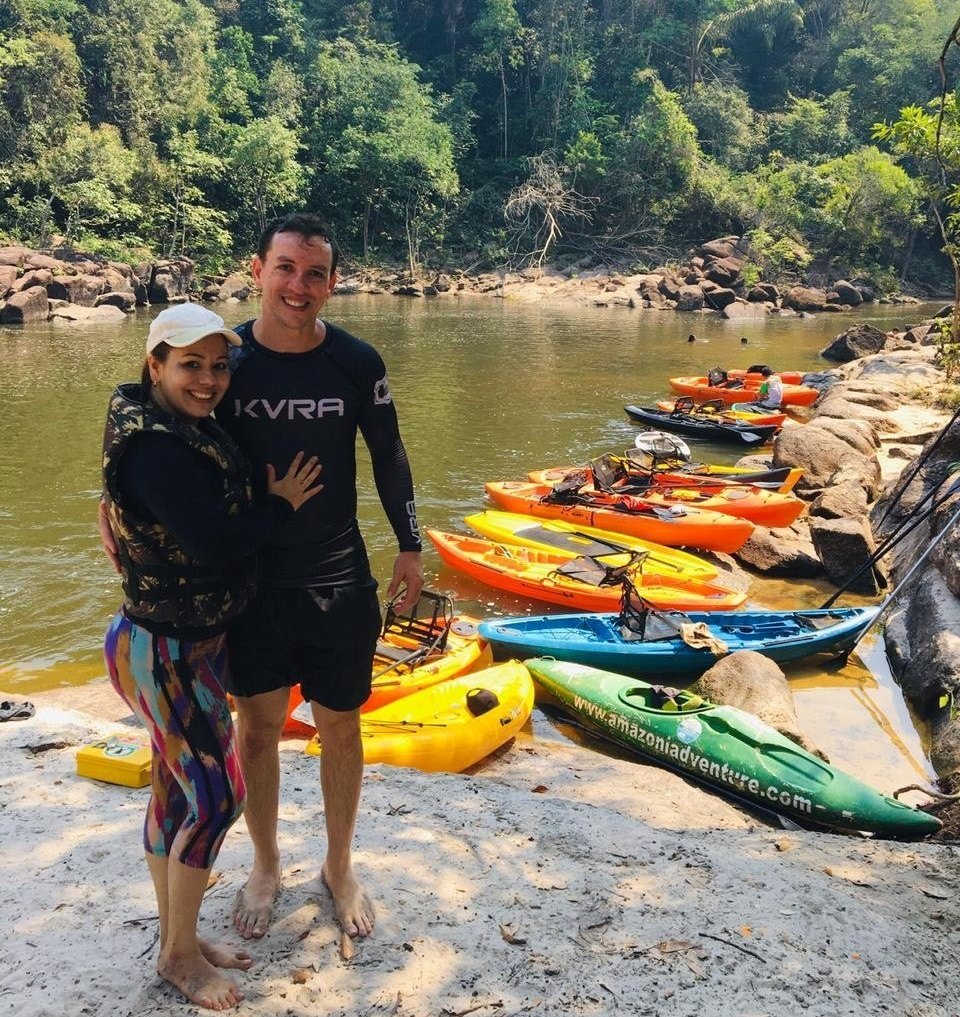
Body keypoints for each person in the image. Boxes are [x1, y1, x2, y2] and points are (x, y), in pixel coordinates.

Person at [101, 303, 323, 1009]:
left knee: (175, 791)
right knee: (219, 795)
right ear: (155, 364)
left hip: (170, 646)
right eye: (190, 364)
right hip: (164, 652)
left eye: (218, 365)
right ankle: (178, 957)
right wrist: (281, 503)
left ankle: (181, 938)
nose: (208, 379)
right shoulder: (159, 448)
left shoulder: (171, 425)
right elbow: (215, 543)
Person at [212, 213, 423, 943]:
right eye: (285, 268)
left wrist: (410, 545)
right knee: (258, 726)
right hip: (254, 585)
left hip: (339, 579)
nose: (297, 287)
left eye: (314, 273)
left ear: (333, 283)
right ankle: (266, 863)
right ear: (256, 269)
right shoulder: (224, 359)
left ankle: (338, 864)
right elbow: (159, 420)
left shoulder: (356, 363)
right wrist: (119, 501)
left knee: (340, 725)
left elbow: (389, 455)